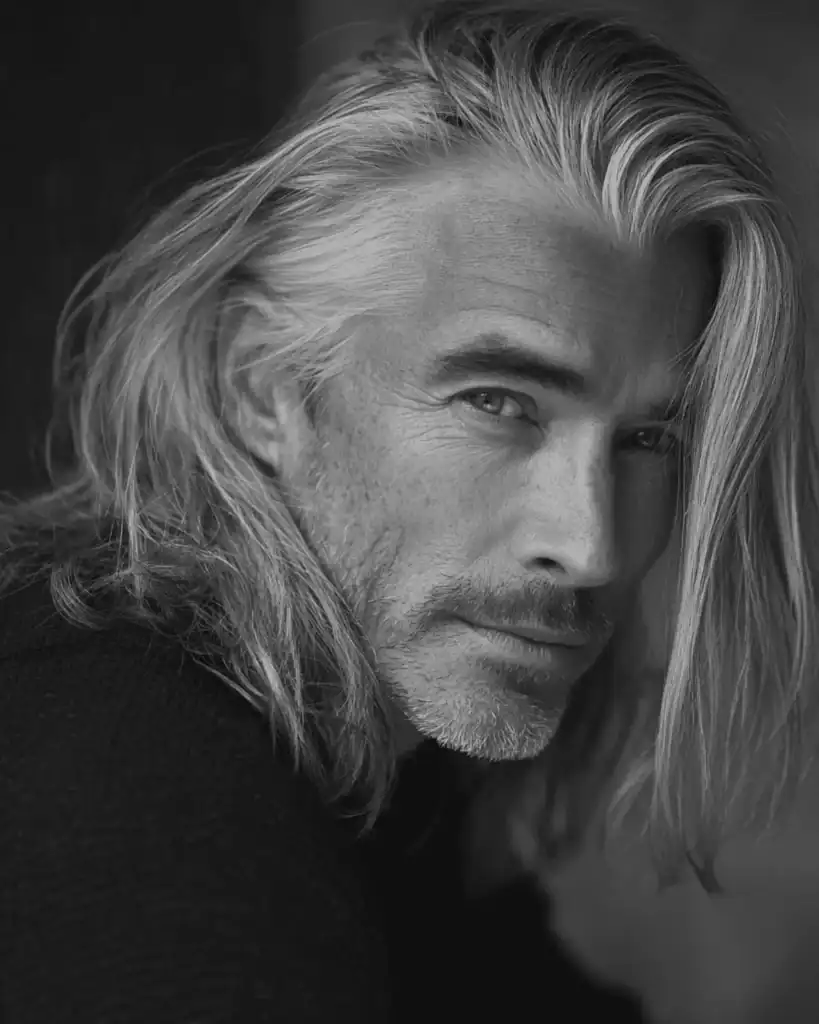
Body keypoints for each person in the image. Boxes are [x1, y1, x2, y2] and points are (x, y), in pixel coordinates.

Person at [2, 1, 817, 1020]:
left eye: (651, 439)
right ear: (268, 386)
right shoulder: (127, 783)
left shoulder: (380, 773)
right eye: (499, 402)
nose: (592, 544)